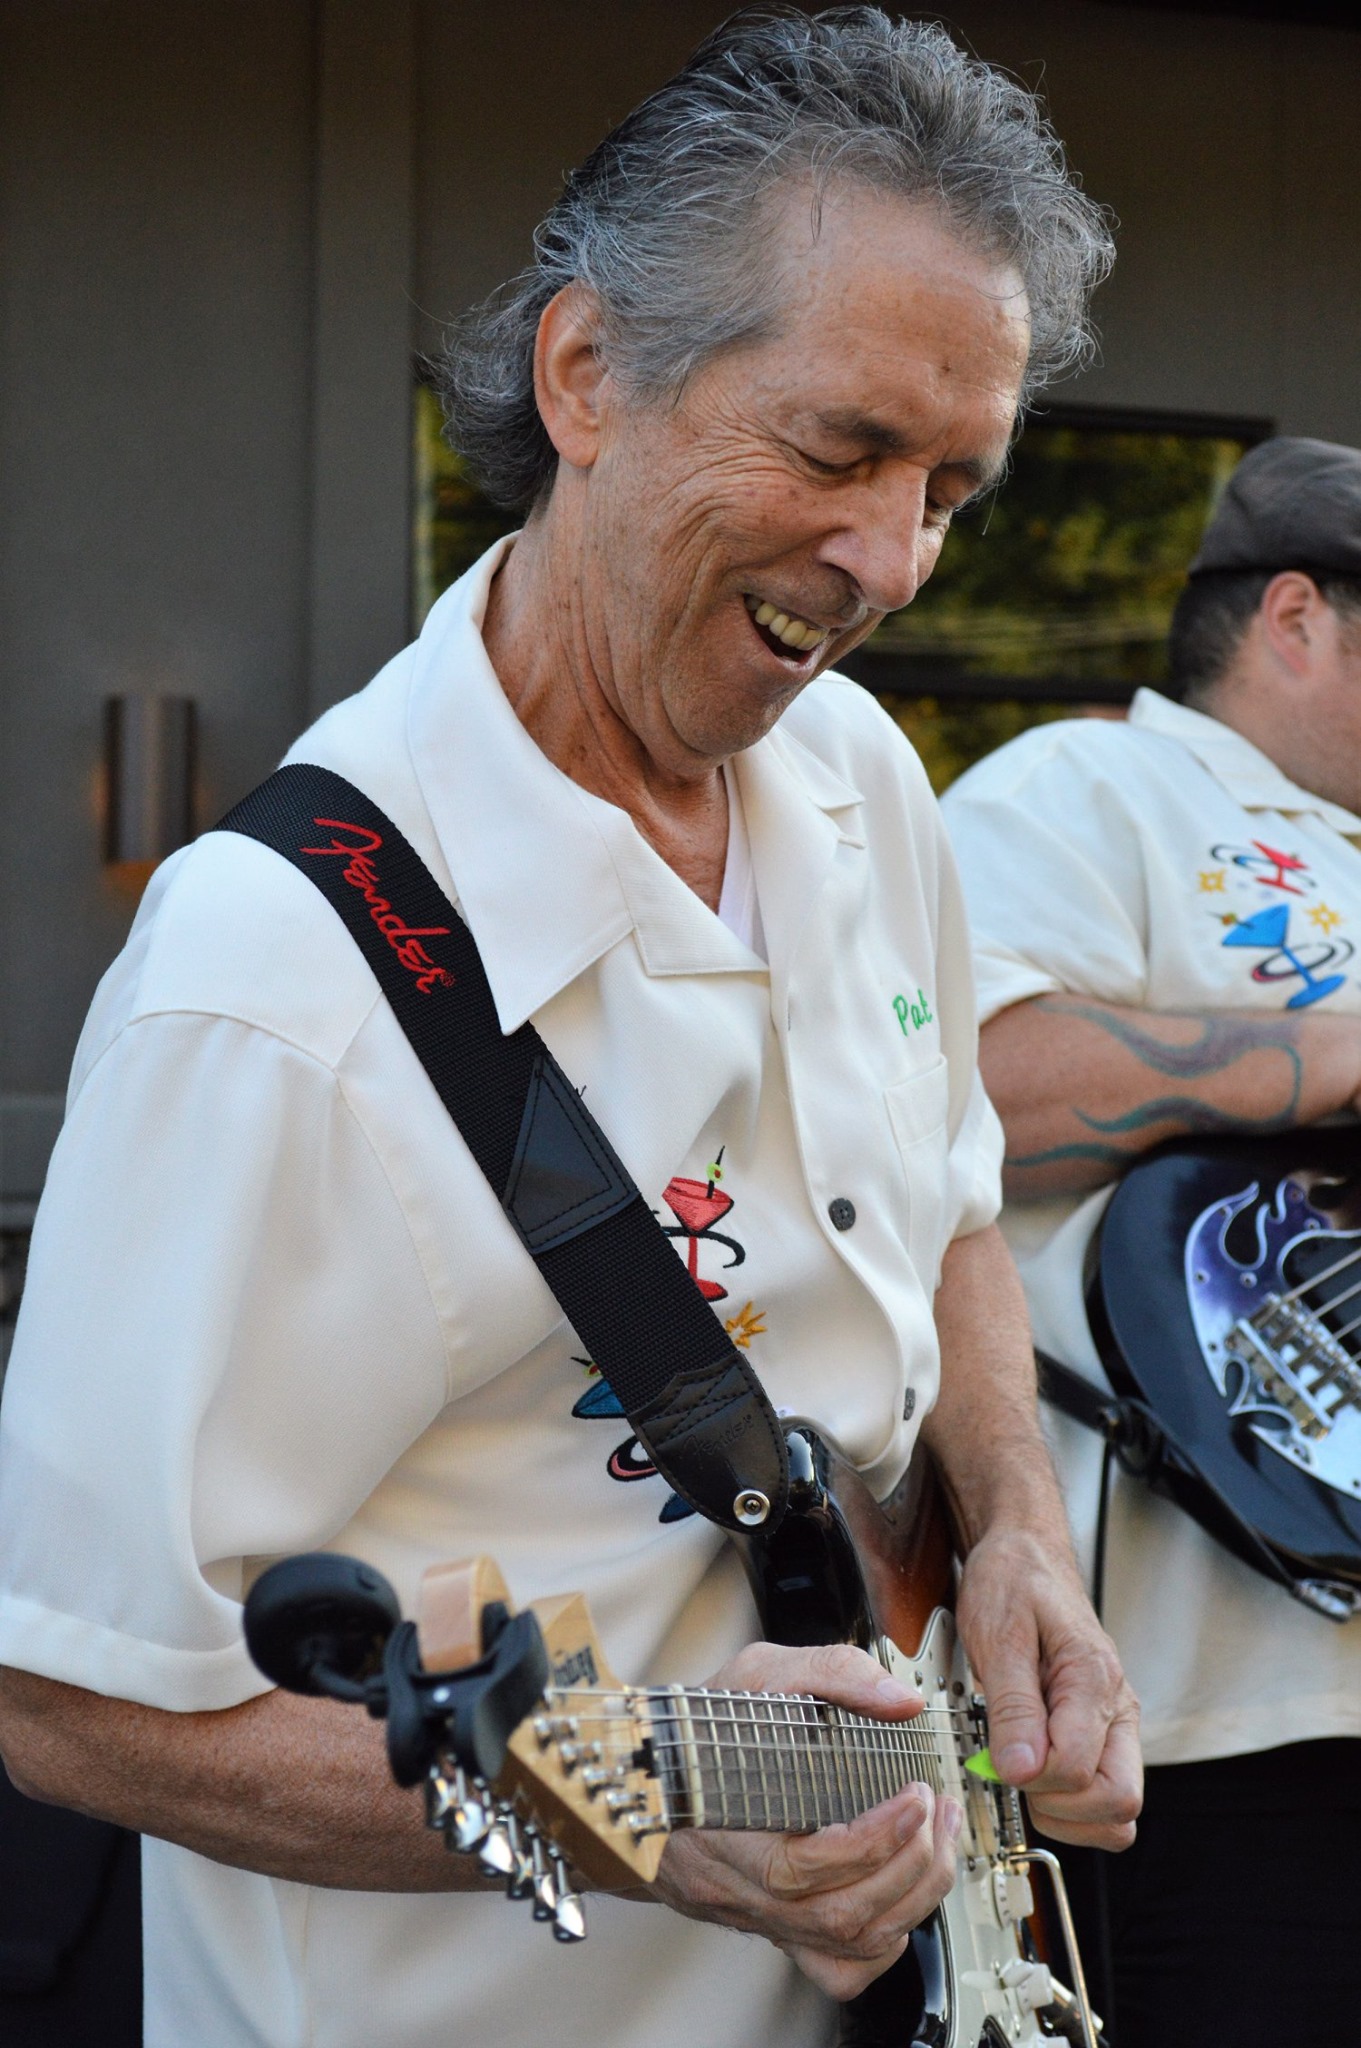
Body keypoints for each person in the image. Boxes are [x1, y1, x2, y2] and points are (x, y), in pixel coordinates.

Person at [0, 14, 1137, 2048]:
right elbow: (65, 1701)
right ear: (588, 373)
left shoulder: (869, 779)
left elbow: (953, 1216)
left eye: (953, 485)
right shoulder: (270, 989)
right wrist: (645, 1810)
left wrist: (1020, 1544)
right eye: (838, 449)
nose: (895, 564)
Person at [941, 434, 1361, 2047]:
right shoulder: (1088, 790)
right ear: (1297, 615)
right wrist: (1337, 1051)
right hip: (1207, 1722)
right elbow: (954, 1094)